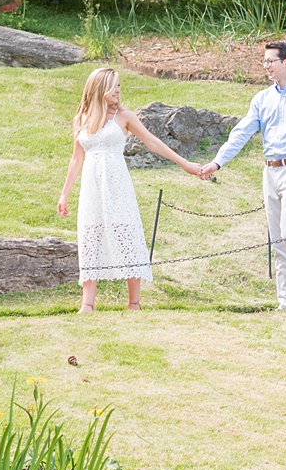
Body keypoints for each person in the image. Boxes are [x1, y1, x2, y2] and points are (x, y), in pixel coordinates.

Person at [58, 67, 206, 312]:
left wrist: (185, 164)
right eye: (113, 86)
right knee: (90, 236)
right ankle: (87, 303)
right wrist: (65, 193)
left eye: (119, 86)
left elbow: (152, 141)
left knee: (125, 232)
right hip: (92, 186)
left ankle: (134, 303)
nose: (118, 90)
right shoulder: (82, 118)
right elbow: (76, 159)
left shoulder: (124, 116)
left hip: (117, 184)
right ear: (99, 88)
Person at [198, 42, 286, 310]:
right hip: (270, 171)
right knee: (278, 239)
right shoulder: (261, 99)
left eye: (270, 61)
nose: (266, 66)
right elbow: (241, 133)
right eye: (264, 61)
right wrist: (217, 162)